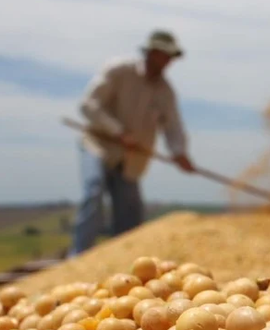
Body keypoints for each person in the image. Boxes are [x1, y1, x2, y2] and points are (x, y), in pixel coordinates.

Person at [70, 29, 196, 257]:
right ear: (151, 52)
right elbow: (88, 105)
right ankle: (78, 256)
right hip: (99, 144)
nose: (167, 62)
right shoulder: (119, 70)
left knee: (130, 211)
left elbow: (173, 127)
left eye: (170, 57)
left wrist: (180, 153)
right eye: (163, 55)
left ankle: (123, 262)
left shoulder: (165, 92)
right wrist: (118, 132)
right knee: (94, 189)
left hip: (132, 157)